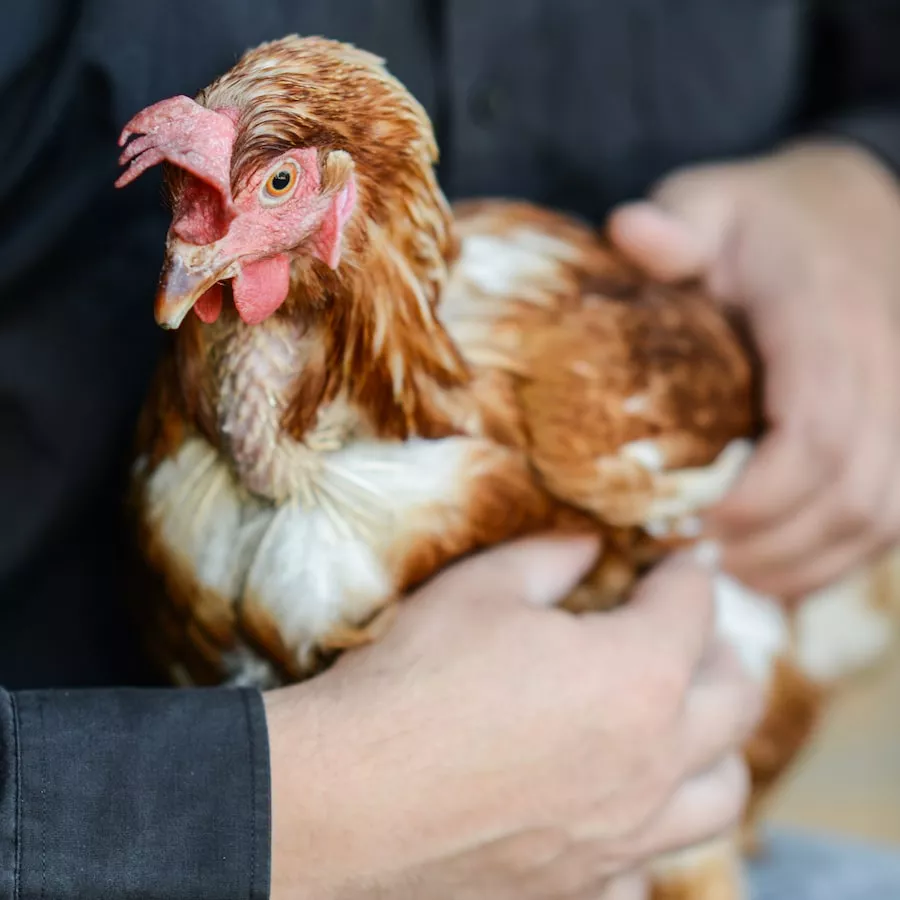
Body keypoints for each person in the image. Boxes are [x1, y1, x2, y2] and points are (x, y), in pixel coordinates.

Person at [2, 2, 900, 898]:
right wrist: (297, 809)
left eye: (275, 188)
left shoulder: (586, 388)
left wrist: (866, 183)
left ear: (350, 189)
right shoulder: (186, 488)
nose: (192, 252)